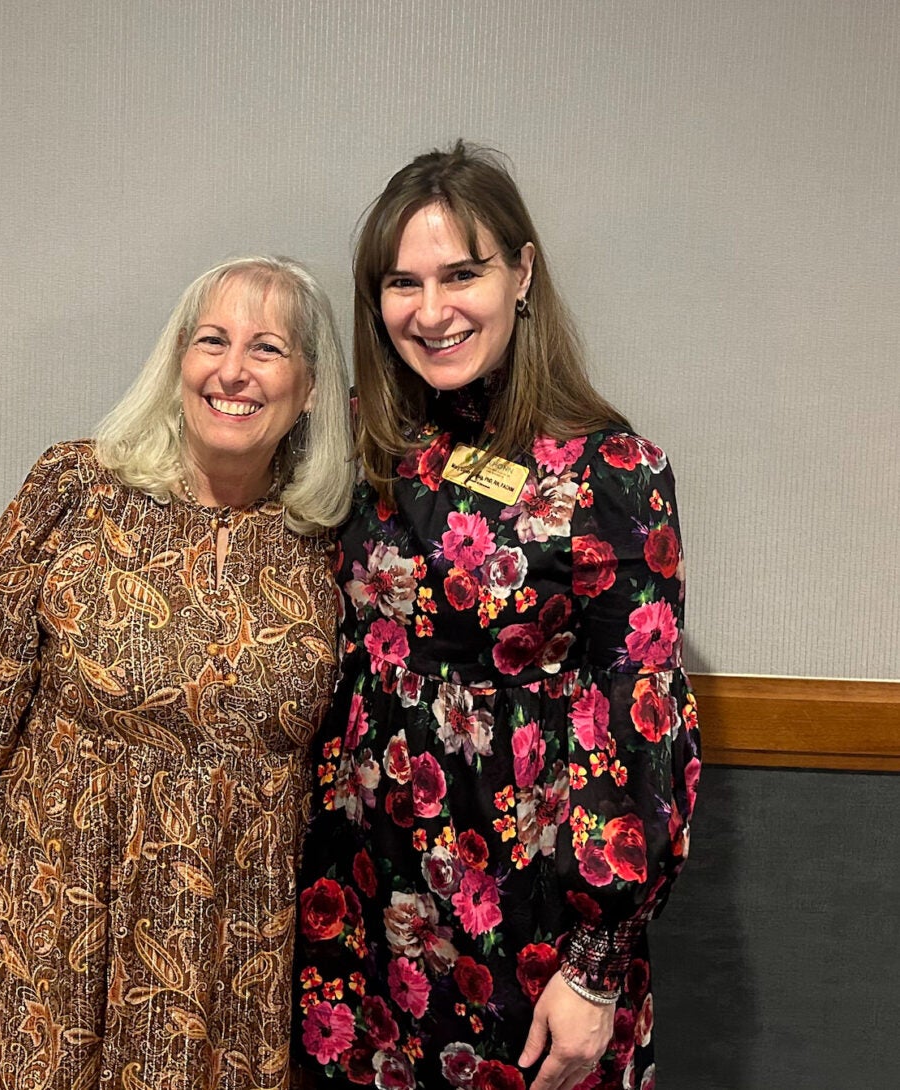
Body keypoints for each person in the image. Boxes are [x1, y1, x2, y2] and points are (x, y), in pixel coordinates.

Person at [0, 255, 355, 1090]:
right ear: (178, 359)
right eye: (212, 340)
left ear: (312, 387)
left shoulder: (332, 539)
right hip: (47, 925)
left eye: (269, 349)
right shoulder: (74, 489)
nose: (233, 371)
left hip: (224, 954)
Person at [292, 143, 701, 1090]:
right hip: (359, 895)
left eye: (461, 274)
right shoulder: (355, 444)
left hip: (530, 911)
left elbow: (645, 717)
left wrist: (597, 969)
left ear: (520, 273)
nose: (431, 311)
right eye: (403, 282)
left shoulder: (616, 473)